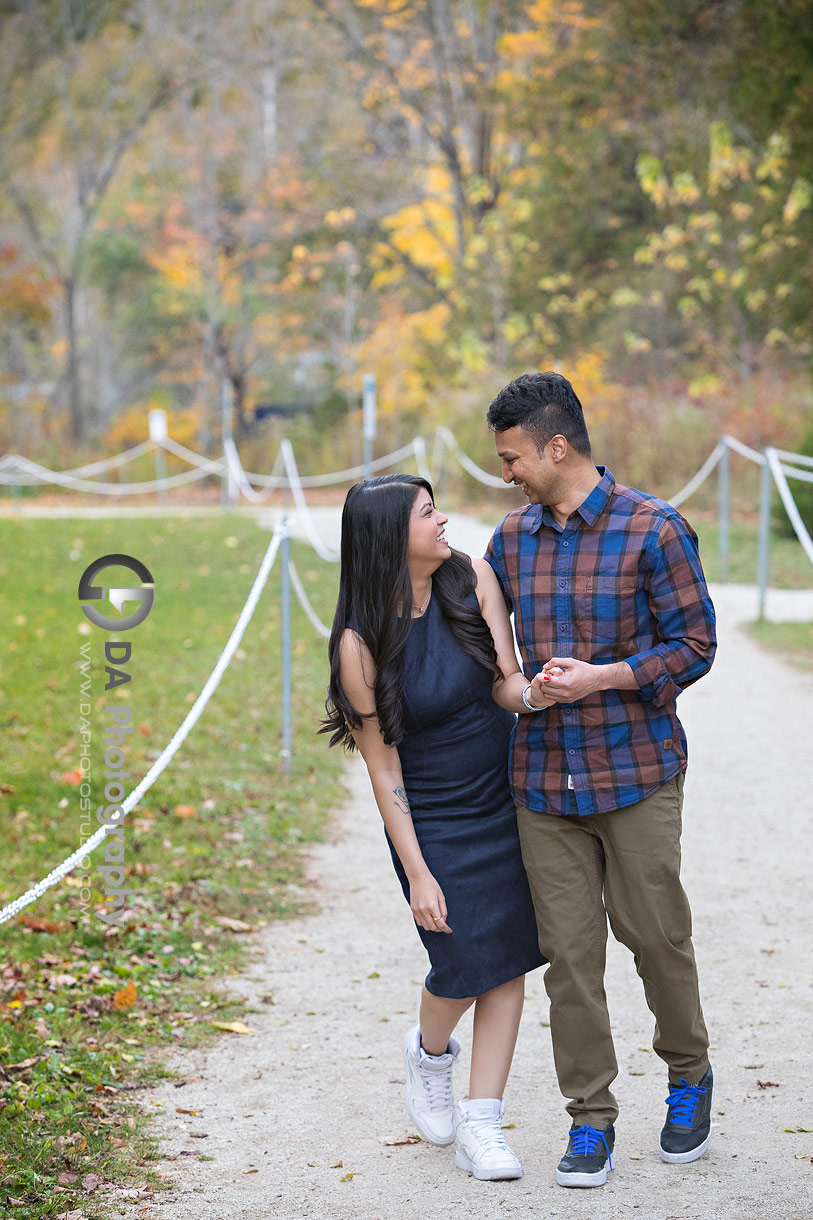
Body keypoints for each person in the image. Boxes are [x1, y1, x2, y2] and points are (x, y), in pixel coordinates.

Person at [484, 371, 717, 1190]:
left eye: (512, 458)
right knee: (569, 960)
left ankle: (688, 1074)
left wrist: (604, 677)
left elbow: (695, 645)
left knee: (655, 937)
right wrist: (526, 691)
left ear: (556, 447)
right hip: (543, 781)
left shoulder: (654, 529)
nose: (505, 474)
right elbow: (486, 646)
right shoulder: (509, 540)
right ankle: (590, 1119)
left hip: (635, 771)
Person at [322, 473, 557, 1182]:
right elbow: (382, 765)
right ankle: (428, 1056)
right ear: (391, 537)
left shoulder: (471, 578)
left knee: (508, 957)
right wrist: (418, 872)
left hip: (502, 796)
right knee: (460, 962)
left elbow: (504, 682)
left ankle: (482, 1123)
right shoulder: (360, 642)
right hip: (432, 817)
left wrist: (534, 693)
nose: (443, 520)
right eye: (428, 513)